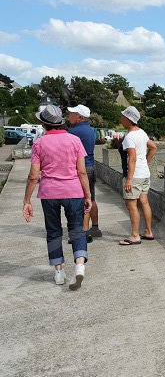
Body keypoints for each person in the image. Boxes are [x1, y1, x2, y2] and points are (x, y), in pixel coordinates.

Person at [22, 105, 92, 290]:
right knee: (77, 229)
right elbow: (82, 171)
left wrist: (27, 200)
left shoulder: (39, 143)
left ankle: (59, 272)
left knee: (53, 232)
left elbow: (33, 175)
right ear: (60, 122)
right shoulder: (75, 140)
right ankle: (79, 265)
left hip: (49, 193)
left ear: (43, 124)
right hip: (74, 192)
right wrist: (88, 196)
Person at [119, 106, 157, 245]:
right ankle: (148, 232)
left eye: (123, 116)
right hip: (144, 174)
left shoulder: (129, 137)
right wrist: (145, 162)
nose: (120, 118)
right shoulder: (142, 132)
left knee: (131, 205)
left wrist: (129, 179)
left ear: (128, 119)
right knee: (144, 202)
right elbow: (153, 147)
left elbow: (132, 158)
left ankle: (135, 235)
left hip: (134, 176)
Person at [67, 104, 101, 241]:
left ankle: (83, 232)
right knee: (91, 197)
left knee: (81, 201)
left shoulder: (73, 132)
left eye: (72, 113)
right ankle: (95, 227)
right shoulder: (91, 130)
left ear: (80, 117)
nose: (69, 115)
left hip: (80, 168)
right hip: (90, 166)